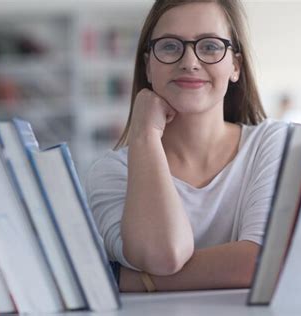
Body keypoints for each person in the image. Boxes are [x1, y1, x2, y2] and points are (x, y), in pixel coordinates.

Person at [86, 0, 288, 292]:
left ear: (235, 66)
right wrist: (145, 135)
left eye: (210, 46)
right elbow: (163, 256)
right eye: (169, 46)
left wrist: (128, 280)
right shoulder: (111, 172)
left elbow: (262, 262)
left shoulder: (272, 144)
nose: (189, 61)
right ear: (148, 66)